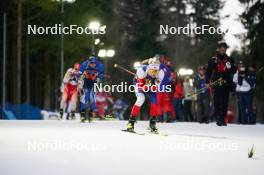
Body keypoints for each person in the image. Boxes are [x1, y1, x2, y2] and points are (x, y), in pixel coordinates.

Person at [125, 56, 167, 133]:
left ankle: (152, 124)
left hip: (150, 86)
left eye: (156, 71)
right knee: (141, 99)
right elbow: (141, 87)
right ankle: (130, 123)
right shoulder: (142, 71)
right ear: (149, 68)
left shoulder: (161, 73)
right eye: (152, 71)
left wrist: (152, 85)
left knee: (154, 102)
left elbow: (156, 87)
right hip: (139, 84)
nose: (154, 73)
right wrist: (146, 86)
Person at [206, 41, 236, 126]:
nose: (223, 50)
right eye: (221, 49)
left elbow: (234, 70)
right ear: (218, 49)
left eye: (224, 49)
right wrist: (207, 82)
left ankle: (222, 118)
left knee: (225, 101)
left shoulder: (229, 59)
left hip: (226, 81)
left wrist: (231, 67)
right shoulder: (213, 59)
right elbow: (208, 72)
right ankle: (219, 118)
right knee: (217, 101)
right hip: (217, 81)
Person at [78, 56, 104, 122]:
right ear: (89, 62)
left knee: (92, 100)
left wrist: (99, 79)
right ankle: (83, 116)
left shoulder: (99, 65)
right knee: (85, 98)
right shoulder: (84, 64)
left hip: (93, 85)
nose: (93, 64)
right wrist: (80, 82)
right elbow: (79, 74)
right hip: (86, 84)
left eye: (94, 63)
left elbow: (101, 74)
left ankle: (90, 115)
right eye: (91, 63)